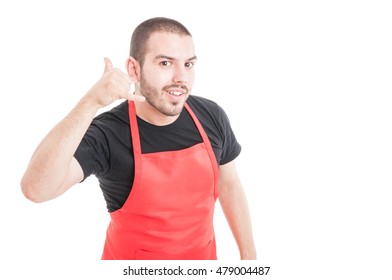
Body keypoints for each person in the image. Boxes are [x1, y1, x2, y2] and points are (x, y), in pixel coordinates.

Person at [21, 17, 256, 260]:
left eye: (188, 64)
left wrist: (249, 259)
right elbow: (36, 189)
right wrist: (90, 103)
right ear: (134, 69)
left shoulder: (211, 116)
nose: (181, 78)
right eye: (165, 63)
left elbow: (229, 185)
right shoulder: (108, 134)